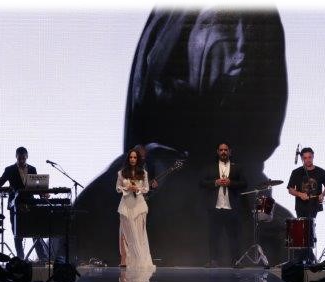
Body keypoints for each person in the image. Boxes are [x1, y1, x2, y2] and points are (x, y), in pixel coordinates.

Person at [74, 7, 290, 266]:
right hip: (168, 174)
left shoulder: (243, 18)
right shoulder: (168, 15)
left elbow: (257, 114)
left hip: (206, 182)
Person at [0, 146, 49, 261]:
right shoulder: (9, 169)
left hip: (30, 204)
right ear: (16, 157)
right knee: (17, 233)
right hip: (15, 205)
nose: (21, 160)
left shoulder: (32, 169)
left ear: (27, 157)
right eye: (19, 158)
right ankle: (20, 259)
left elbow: (36, 187)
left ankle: (42, 257)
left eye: (23, 158)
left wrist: (43, 194)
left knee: (35, 231)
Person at [200, 142, 247, 268]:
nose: (223, 152)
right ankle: (213, 261)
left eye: (225, 150)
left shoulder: (237, 167)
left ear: (230, 152)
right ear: (217, 152)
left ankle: (236, 261)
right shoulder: (210, 167)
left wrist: (231, 183)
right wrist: (215, 182)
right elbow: (202, 182)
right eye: (221, 150)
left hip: (232, 207)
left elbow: (244, 183)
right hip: (215, 207)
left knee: (234, 237)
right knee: (213, 236)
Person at [116, 149, 155, 269]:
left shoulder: (143, 173)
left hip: (139, 206)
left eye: (135, 157)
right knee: (126, 234)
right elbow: (117, 188)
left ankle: (139, 260)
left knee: (139, 235)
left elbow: (146, 189)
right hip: (126, 206)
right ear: (128, 159)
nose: (132, 159)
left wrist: (137, 189)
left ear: (138, 159)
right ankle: (127, 260)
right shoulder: (121, 173)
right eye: (131, 157)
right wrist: (126, 188)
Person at [287, 147, 325, 219]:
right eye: (305, 158)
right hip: (301, 207)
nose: (308, 160)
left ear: (313, 156)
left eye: (309, 157)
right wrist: (300, 194)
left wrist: (322, 195)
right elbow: (290, 189)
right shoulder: (296, 172)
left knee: (311, 224)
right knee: (302, 225)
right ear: (302, 159)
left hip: (315, 205)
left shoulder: (321, 172)